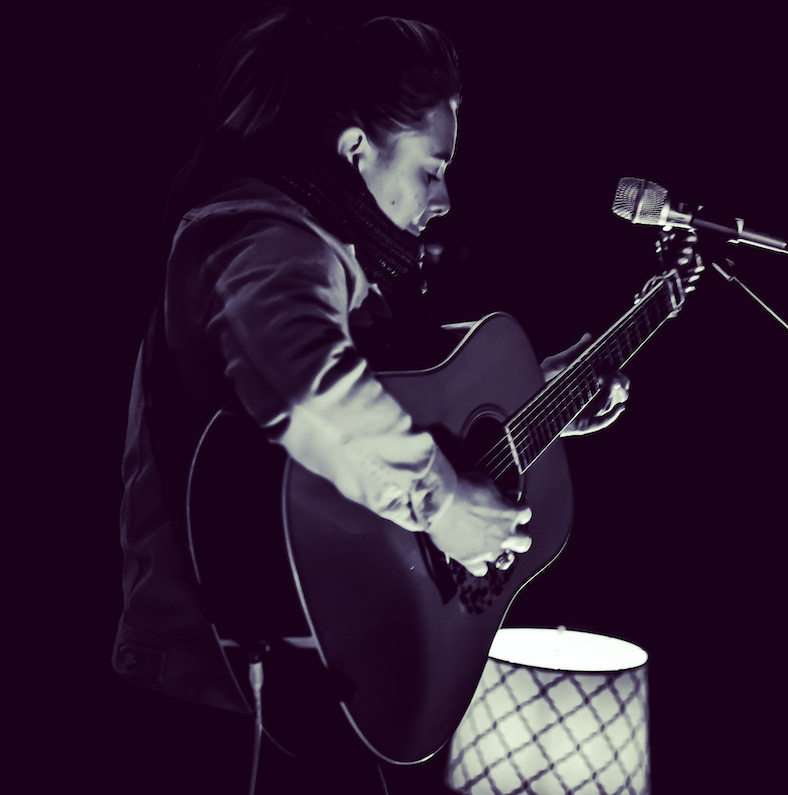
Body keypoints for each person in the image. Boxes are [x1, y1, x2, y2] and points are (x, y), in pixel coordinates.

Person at [112, 6, 685, 793]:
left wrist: (543, 406)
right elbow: (313, 395)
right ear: (355, 148)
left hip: (311, 682)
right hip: (214, 695)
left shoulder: (342, 256)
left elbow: (392, 423)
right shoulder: (258, 236)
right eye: (431, 167)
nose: (443, 197)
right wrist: (442, 499)